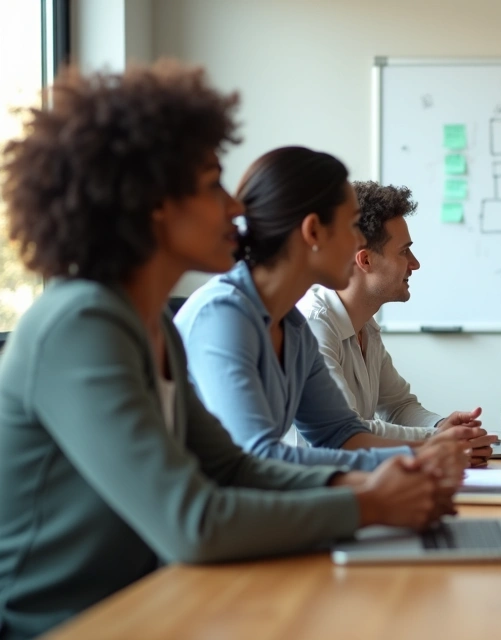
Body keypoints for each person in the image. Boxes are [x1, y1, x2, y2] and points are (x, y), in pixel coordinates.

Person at [0, 63, 456, 640]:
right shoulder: (81, 325)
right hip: (68, 623)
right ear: (154, 200)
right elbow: (192, 520)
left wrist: (385, 479)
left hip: (152, 602)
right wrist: (369, 504)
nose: (236, 208)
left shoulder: (150, 326)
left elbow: (232, 467)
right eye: (211, 184)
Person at [175, 146, 477, 474]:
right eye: (352, 227)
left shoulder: (292, 326)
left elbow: (340, 433)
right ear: (314, 232)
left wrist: (437, 450)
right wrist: (425, 455)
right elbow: (259, 457)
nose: (357, 245)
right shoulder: (223, 315)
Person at [298, 180, 497, 465]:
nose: (414, 264)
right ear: (365, 260)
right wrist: (437, 442)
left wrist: (441, 427)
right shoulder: (315, 326)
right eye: (404, 251)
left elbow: (398, 405)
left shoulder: (366, 325)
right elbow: (348, 431)